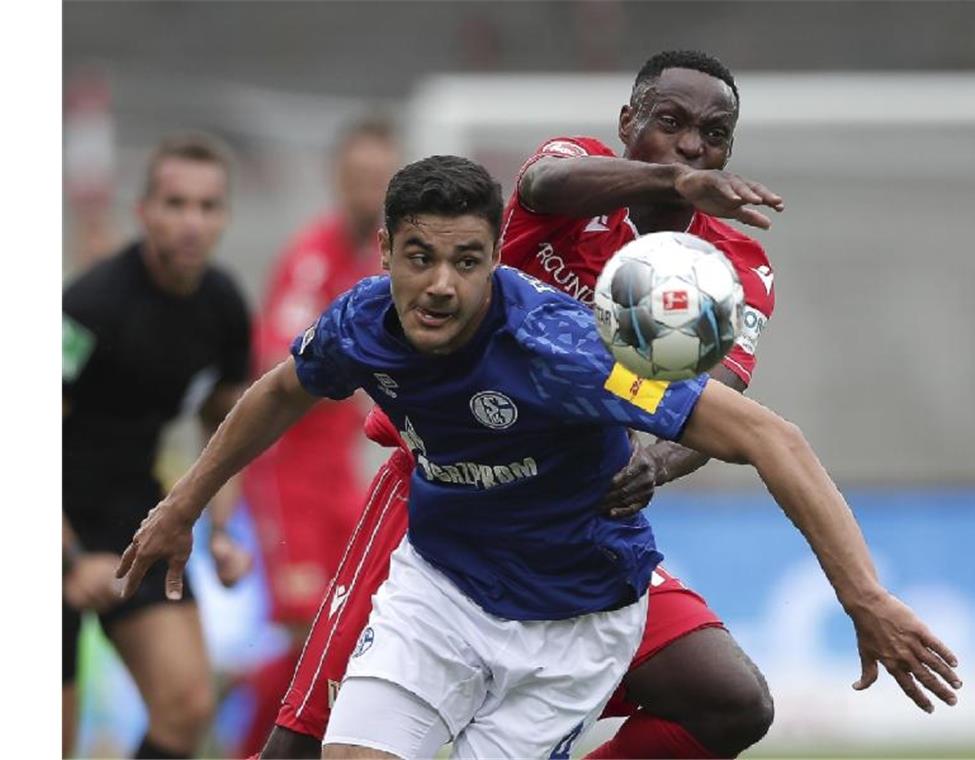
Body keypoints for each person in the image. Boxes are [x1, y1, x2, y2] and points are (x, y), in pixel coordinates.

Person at [117, 154, 960, 760]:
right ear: (385, 254)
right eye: (420, 258)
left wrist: (865, 598)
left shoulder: (566, 351)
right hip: (438, 596)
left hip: (571, 626)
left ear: (494, 262)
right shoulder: (363, 319)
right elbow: (280, 391)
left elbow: (770, 437)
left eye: (466, 261)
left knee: (729, 701)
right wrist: (181, 505)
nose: (441, 284)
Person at [264, 49, 783, 760]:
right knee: (302, 741)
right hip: (447, 481)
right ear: (628, 121)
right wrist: (672, 180)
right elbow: (544, 182)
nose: (693, 145)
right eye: (670, 122)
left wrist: (656, 463)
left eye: (714, 134)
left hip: (573, 516)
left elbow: (718, 404)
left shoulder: (735, 268)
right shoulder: (577, 173)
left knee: (731, 704)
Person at [63, 134, 254, 758]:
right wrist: (67, 560)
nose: (192, 223)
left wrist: (223, 530)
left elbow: (227, 425)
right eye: (175, 204)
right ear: (143, 211)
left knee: (187, 707)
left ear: (225, 216)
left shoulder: (222, 306)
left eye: (207, 206)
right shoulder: (89, 307)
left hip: (130, 515)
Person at [238, 117, 401, 758]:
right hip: (288, 475)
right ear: (338, 181)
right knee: (313, 631)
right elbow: (276, 361)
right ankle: (246, 727)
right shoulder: (314, 256)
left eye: (380, 180)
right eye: (359, 178)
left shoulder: (378, 258)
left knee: (348, 630)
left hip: (341, 476)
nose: (370, 192)